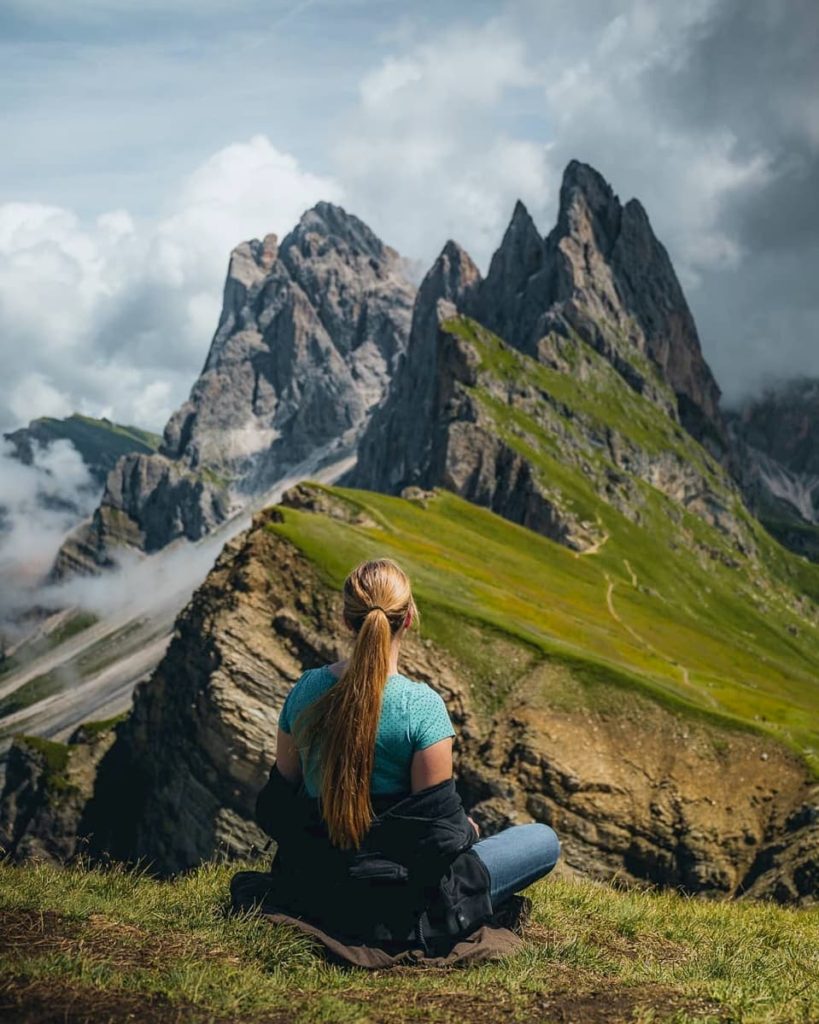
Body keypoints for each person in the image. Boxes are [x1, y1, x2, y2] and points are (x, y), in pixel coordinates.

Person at [267, 557, 561, 930]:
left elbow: (278, 804)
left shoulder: (306, 690)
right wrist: (467, 830)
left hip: (311, 889)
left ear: (345, 620)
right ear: (407, 619)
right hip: (393, 908)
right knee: (542, 839)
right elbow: (436, 839)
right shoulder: (422, 708)